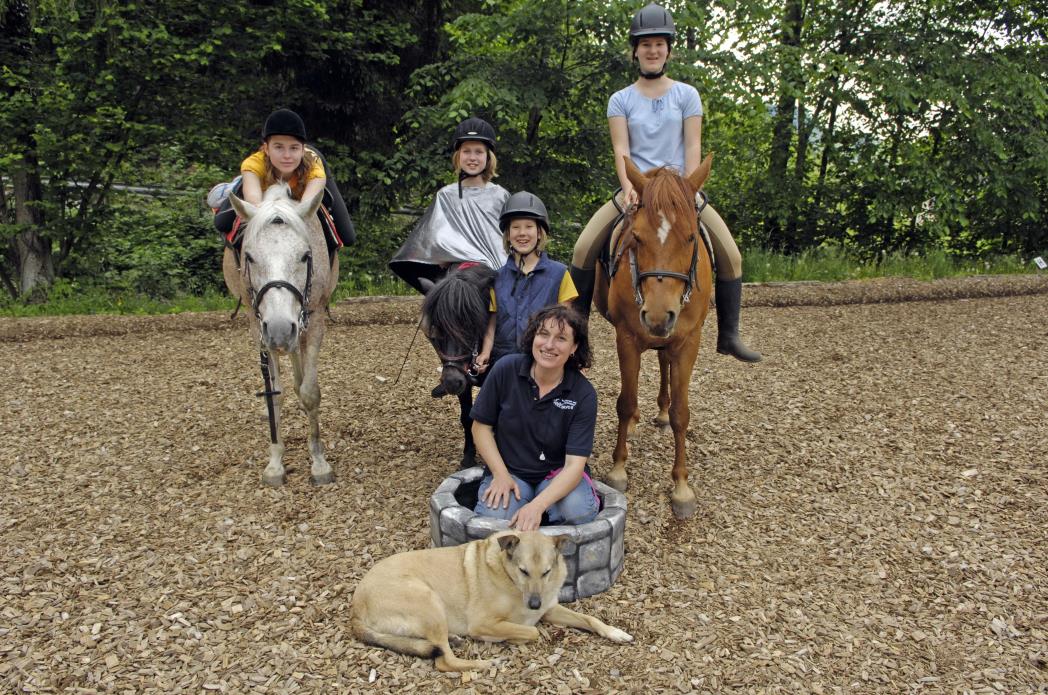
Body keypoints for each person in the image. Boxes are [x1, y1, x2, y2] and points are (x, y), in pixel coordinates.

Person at [569, 3, 761, 362]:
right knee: (582, 249)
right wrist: (628, 186)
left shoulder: (687, 95)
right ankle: (577, 336)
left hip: (680, 190)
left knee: (732, 256)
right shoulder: (620, 99)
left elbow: (692, 146)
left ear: (668, 49)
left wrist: (690, 190)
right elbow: (621, 148)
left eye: (659, 44)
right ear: (635, 51)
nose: (652, 50)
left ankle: (729, 334)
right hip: (639, 187)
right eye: (646, 44)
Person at [471, 304, 599, 531]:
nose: (549, 345)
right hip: (510, 472)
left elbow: (574, 465)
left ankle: (541, 514)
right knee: (493, 515)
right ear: (532, 338)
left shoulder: (583, 393)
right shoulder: (505, 369)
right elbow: (480, 427)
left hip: (555, 476)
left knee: (579, 510)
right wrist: (500, 475)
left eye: (561, 338)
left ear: (574, 347)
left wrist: (537, 506)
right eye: (543, 334)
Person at [389, 117, 510, 293]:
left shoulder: (501, 195)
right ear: (458, 156)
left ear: (488, 157)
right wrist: (443, 254)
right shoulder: (446, 196)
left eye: (479, 152)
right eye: (466, 151)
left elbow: (508, 238)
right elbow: (434, 242)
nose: (472, 158)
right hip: (459, 272)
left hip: (498, 272)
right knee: (435, 313)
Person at [212, 108, 355, 256]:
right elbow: (254, 202)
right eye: (278, 147)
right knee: (221, 222)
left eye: (294, 148)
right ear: (266, 149)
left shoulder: (315, 170)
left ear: (303, 150)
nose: (287, 156)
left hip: (306, 179)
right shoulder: (253, 164)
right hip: (263, 178)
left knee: (348, 237)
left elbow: (306, 207)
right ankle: (236, 184)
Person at [474, 191, 578, 374]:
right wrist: (485, 352)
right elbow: (492, 323)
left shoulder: (560, 274)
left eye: (529, 226)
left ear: (539, 233)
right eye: (515, 227)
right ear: (507, 235)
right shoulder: (496, 278)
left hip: (543, 363)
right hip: (503, 362)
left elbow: (567, 323)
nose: (522, 233)